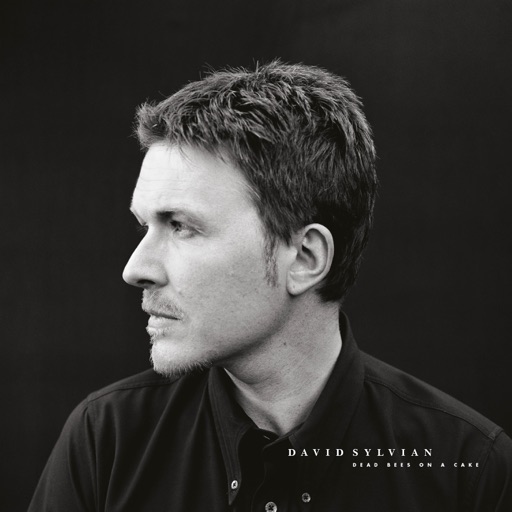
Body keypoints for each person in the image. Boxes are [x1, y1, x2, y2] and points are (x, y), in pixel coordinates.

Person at [29, 61, 512, 511]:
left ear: (304, 258)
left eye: (181, 226)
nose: (136, 268)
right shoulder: (107, 442)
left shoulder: (469, 473)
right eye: (145, 226)